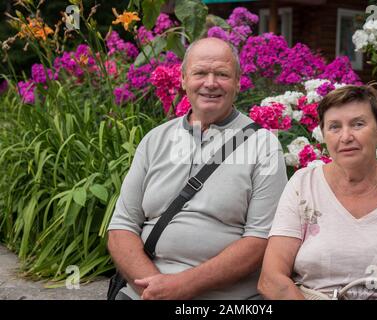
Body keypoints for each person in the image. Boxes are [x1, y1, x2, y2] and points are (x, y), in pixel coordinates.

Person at [107, 37, 288, 300]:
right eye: (200, 73)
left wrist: (181, 287)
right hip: (146, 292)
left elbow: (260, 241)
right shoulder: (155, 140)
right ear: (183, 80)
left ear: (238, 82)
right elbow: (121, 227)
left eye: (222, 74)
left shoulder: (264, 146)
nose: (211, 83)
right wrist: (155, 289)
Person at [258, 85, 377, 300]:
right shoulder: (303, 185)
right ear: (324, 135)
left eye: (358, 124)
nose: (346, 136)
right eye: (334, 127)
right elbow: (271, 278)